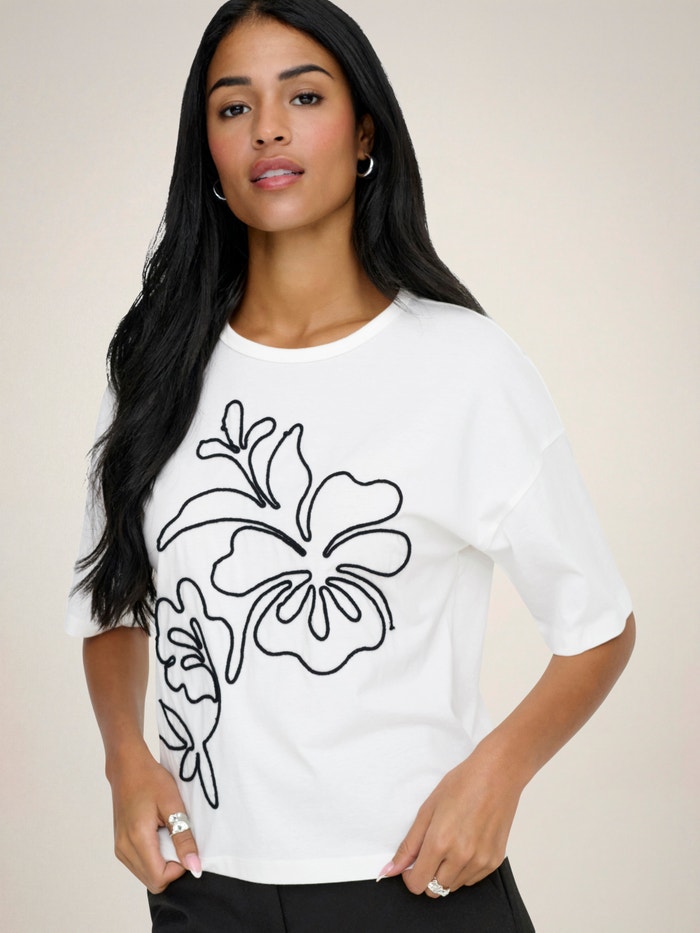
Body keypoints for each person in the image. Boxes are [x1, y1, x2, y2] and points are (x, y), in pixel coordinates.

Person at [66, 1, 635, 930]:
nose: (270, 128)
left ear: (365, 131)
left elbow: (599, 625)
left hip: (412, 886)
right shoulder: (153, 368)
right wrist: (124, 756)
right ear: (207, 149)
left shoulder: (464, 365)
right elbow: (113, 600)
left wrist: (498, 772)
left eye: (304, 96)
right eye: (234, 107)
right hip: (204, 886)